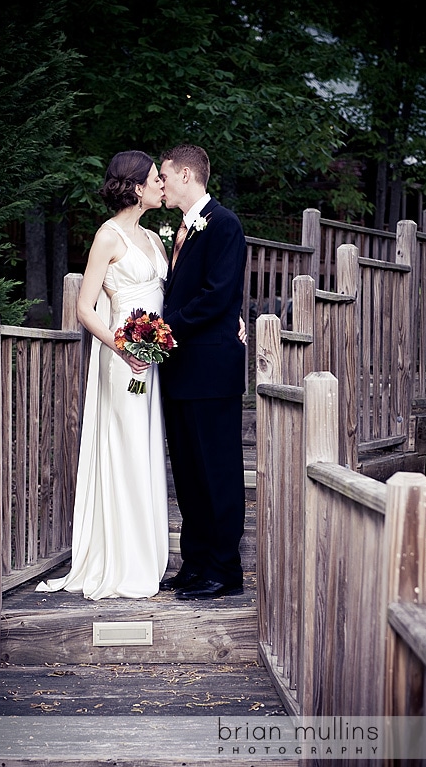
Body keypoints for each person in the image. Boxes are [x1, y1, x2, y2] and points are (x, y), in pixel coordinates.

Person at [36, 150, 170, 600]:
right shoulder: (108, 237)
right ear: (135, 187)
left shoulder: (154, 240)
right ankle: (124, 562)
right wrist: (124, 345)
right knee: (127, 449)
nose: (161, 184)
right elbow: (83, 307)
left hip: (153, 359)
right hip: (124, 359)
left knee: (148, 449)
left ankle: (149, 558)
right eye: (155, 179)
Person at [158, 144, 247, 600]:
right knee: (189, 473)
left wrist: (161, 329)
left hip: (211, 369)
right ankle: (195, 562)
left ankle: (224, 569)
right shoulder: (185, 231)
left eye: (166, 176)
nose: (162, 183)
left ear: (188, 175)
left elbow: (217, 296)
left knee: (219, 472)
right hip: (181, 371)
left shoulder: (224, 225)